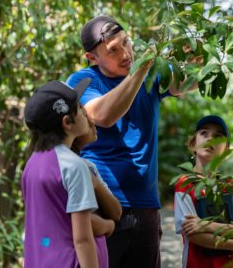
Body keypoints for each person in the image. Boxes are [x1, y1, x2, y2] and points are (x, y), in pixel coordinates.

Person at [66, 15, 195, 268]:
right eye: (113, 51)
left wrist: (196, 60)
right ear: (92, 58)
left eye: (126, 43)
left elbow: (187, 83)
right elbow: (103, 116)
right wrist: (141, 71)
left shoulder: (151, 73)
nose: (126, 54)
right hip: (100, 203)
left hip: (145, 204)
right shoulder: (83, 81)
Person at [22, 79, 102, 268]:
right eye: (80, 110)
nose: (85, 113)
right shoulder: (74, 166)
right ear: (67, 122)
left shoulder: (32, 164)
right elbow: (82, 240)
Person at [174, 115, 233, 268]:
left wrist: (206, 225)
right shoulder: (185, 184)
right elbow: (193, 234)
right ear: (193, 144)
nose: (210, 139)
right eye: (204, 133)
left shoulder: (232, 187)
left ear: (226, 150)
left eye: (218, 136)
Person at [71, 114, 123, 265]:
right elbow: (75, 221)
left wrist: (93, 183)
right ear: (67, 123)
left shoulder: (88, 167)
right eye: (84, 115)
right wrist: (107, 225)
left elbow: (116, 212)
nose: (92, 122)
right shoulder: (66, 167)